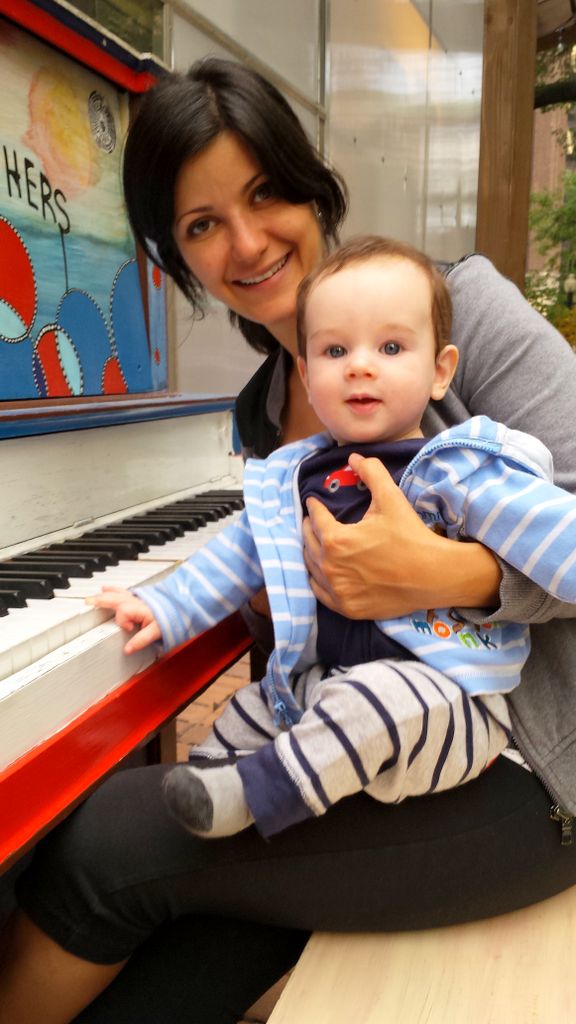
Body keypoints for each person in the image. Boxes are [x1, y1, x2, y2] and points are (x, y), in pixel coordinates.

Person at [1, 57, 576, 1024]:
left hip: (527, 767)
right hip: (347, 762)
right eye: (201, 225)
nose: (247, 242)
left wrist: (443, 573)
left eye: (265, 192)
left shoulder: (461, 307)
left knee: (109, 846)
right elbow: (281, 628)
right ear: (177, 258)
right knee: (163, 966)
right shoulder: (263, 417)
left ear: (313, 186)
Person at [97, 234, 576, 845]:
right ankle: (215, 797)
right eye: (334, 350)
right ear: (306, 373)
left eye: (391, 347)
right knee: (252, 708)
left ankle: (263, 795)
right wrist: (164, 607)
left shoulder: (460, 468)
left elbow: (554, 535)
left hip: (451, 698)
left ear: (440, 372)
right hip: (329, 683)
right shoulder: (295, 478)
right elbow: (236, 556)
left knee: (373, 702)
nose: (359, 366)